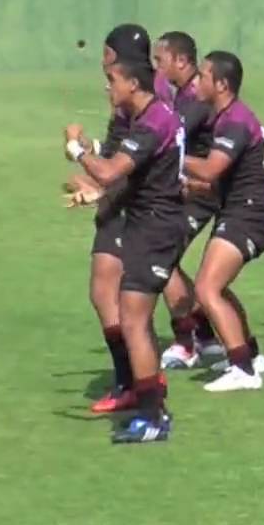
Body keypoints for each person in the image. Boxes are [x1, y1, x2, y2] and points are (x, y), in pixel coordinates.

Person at [64, 57, 186, 444]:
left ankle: (152, 417)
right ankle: (152, 409)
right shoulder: (157, 116)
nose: (107, 87)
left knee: (134, 322)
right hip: (150, 225)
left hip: (156, 230)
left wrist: (75, 148)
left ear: (133, 83)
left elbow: (109, 171)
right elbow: (134, 179)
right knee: (139, 321)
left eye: (111, 80)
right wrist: (96, 194)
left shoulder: (152, 123)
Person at [184, 52, 264, 393]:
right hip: (238, 211)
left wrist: (169, 151)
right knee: (215, 287)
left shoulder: (236, 120)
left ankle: (243, 370)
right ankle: (249, 355)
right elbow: (213, 180)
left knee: (207, 289)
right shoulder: (224, 118)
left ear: (221, 84)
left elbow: (211, 169)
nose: (197, 81)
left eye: (203, 76)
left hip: (248, 215)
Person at [151, 31, 225, 370]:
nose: (157, 67)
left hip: (204, 192)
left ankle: (185, 343)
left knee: (162, 256)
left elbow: (168, 138)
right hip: (189, 190)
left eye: (160, 60)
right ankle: (206, 338)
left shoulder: (196, 98)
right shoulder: (181, 94)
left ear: (181, 60)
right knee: (165, 257)